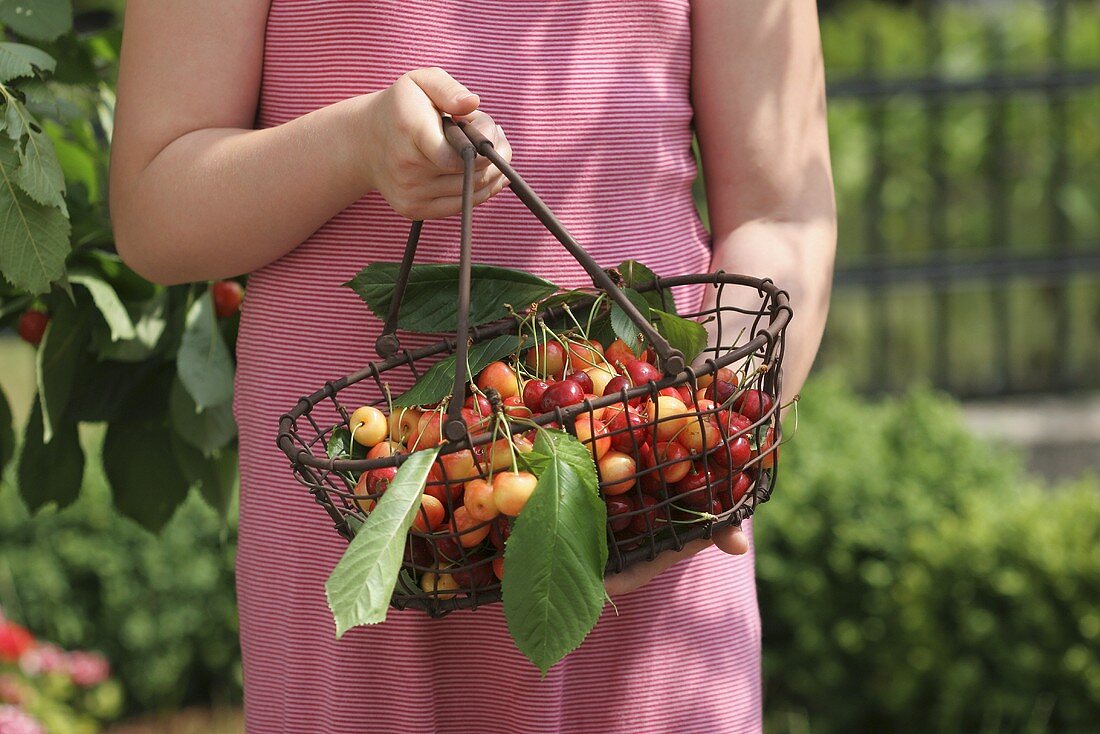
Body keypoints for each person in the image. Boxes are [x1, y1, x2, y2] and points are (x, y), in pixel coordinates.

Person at [110, 1, 836, 731]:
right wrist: (353, 146)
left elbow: (784, 213)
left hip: (648, 515)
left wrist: (698, 437)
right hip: (365, 519)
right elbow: (155, 210)